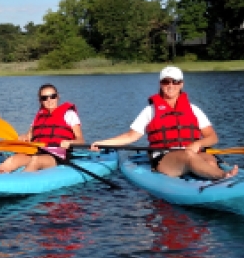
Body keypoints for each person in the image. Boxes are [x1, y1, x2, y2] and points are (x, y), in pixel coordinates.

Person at [91, 66, 238, 180]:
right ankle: (223, 176)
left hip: (193, 153)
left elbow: (212, 137)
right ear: (160, 84)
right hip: (164, 158)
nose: (171, 85)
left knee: (210, 161)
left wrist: (198, 143)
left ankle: (218, 179)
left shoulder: (193, 109)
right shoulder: (151, 110)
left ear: (181, 84)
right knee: (188, 156)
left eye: (175, 81)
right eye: (166, 81)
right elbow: (130, 137)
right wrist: (102, 143)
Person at [0, 83, 85, 174]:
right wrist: (23, 137)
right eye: (44, 98)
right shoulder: (39, 116)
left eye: (52, 96)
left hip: (57, 155)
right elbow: (29, 136)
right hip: (36, 151)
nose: (49, 100)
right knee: (12, 160)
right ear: (40, 100)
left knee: (36, 161)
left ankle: (20, 184)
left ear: (58, 96)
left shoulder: (69, 114)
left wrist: (70, 143)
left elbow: (81, 140)